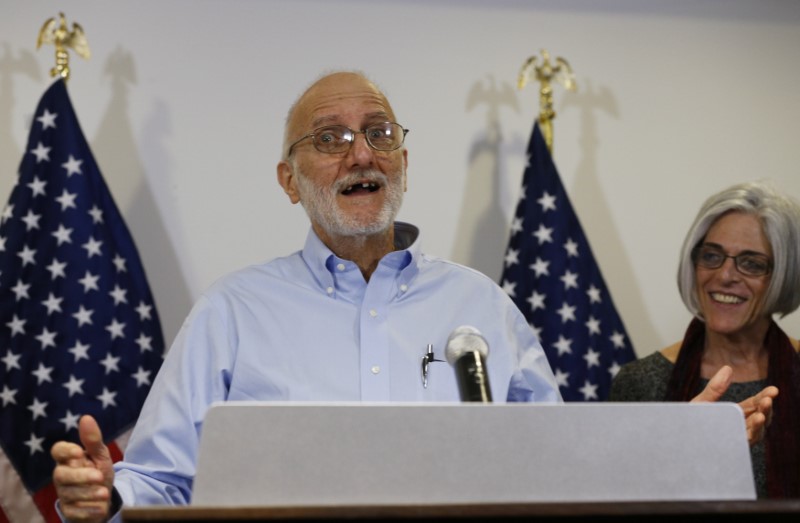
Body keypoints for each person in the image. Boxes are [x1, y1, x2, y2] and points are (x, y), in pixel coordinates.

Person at [50, 70, 563, 522]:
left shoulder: (481, 307)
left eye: (378, 134)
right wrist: (108, 498)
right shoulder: (232, 313)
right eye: (330, 138)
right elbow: (164, 482)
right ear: (289, 181)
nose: (361, 154)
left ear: (403, 163)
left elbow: (556, 469)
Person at [609, 180, 800, 498]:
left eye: (751, 263)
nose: (725, 276)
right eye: (712, 256)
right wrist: (685, 446)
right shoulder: (640, 382)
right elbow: (613, 505)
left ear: (783, 275)